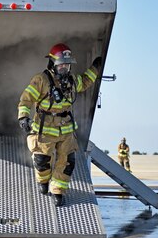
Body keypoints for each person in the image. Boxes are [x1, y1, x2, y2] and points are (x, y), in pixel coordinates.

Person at [18, 43, 102, 207]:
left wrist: (96, 68)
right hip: (44, 129)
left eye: (67, 64)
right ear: (52, 63)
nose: (64, 67)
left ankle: (58, 192)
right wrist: (23, 118)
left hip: (66, 130)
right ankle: (43, 182)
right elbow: (25, 100)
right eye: (61, 64)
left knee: (67, 162)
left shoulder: (71, 81)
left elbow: (85, 82)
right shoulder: (41, 80)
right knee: (43, 161)